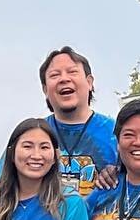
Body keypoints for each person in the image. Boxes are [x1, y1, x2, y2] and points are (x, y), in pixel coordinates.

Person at [37, 46, 119, 198]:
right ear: (45, 89)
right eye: (54, 75)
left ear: (89, 82)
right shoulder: (34, 134)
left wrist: (119, 174)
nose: (64, 79)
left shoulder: (117, 133)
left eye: (72, 72)